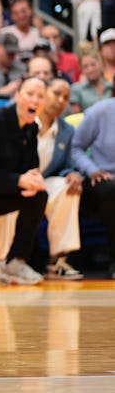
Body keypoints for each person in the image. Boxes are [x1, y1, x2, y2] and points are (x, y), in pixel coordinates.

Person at [0, 78, 84, 280]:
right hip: (13, 178)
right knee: (8, 191)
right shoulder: (18, 119)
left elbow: (66, 164)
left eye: (66, 97)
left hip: (43, 180)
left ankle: (59, 260)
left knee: (67, 187)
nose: (60, 100)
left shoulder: (67, 131)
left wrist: (72, 173)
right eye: (56, 93)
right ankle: (3, 261)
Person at [0, 77, 49, 285]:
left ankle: (15, 262)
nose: (35, 100)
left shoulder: (31, 129)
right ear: (17, 96)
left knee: (39, 196)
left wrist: (34, 180)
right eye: (30, 94)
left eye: (40, 96)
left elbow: (31, 167)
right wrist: (18, 181)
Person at [71, 87, 115, 278]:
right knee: (111, 191)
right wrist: (92, 170)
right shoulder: (101, 111)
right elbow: (76, 147)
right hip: (102, 179)